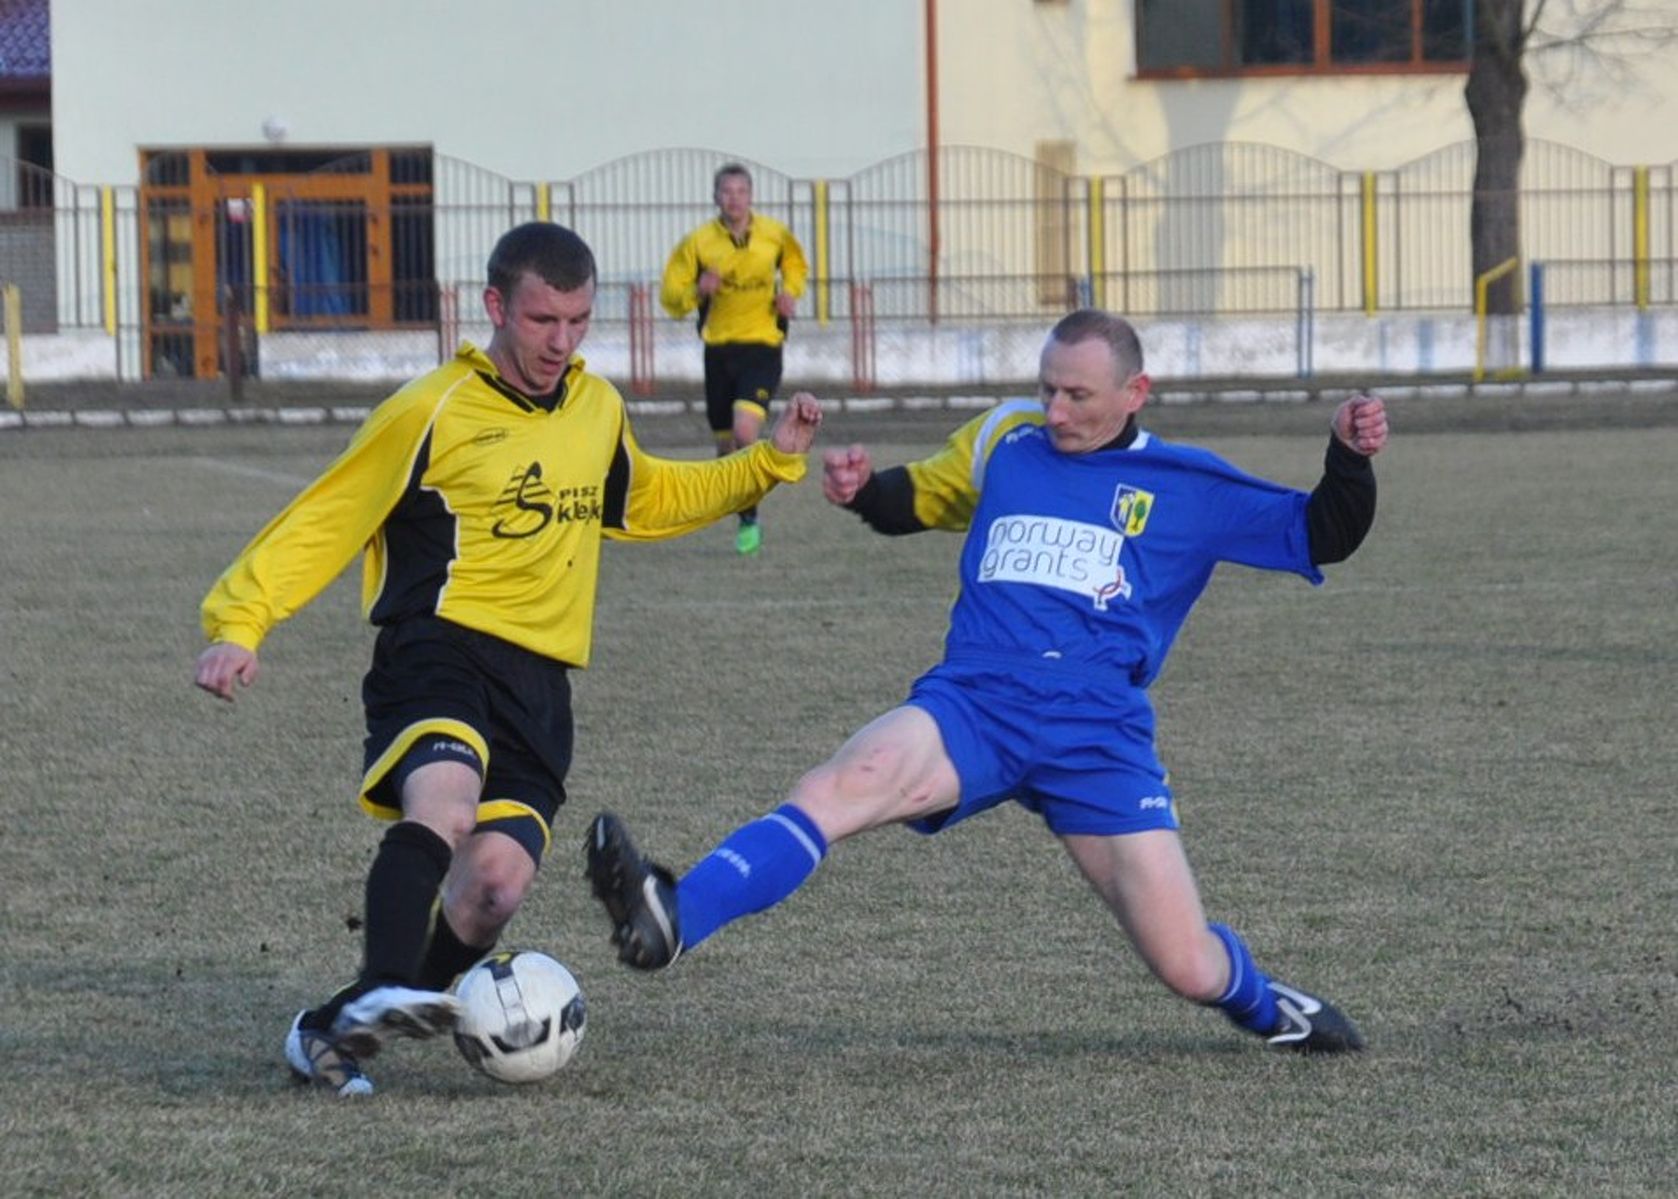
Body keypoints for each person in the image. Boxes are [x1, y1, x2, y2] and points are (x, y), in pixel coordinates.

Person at [585, 308, 1388, 1054]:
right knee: (841, 783)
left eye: (1078, 394)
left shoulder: (1188, 484)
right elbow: (924, 496)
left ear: (1135, 392)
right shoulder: (1009, 437)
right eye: (1048, 389)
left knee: (1186, 965)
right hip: (975, 703)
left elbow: (1322, 531)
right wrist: (867, 489)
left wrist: (1348, 457)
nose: (1057, 410)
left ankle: (1263, 1003)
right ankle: (675, 914)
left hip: (1095, 735)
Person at [194, 221, 822, 1096]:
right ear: (495, 306)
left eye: (577, 322)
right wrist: (242, 619)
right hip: (436, 647)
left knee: (491, 888)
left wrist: (767, 464)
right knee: (444, 809)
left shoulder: (596, 407)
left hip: (539, 682)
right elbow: (327, 517)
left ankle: (333, 1027)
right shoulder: (430, 410)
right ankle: (383, 985)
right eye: (541, 321)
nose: (561, 343)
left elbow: (648, 497)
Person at [660, 162, 809, 556]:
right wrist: (697, 289)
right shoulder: (698, 243)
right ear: (716, 198)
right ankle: (737, 505)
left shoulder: (774, 236)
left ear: (751, 196)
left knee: (746, 433)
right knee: (726, 447)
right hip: (719, 350)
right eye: (727, 192)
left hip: (762, 346)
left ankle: (749, 517)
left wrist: (790, 292)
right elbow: (670, 298)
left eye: (741, 191)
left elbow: (796, 264)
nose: (734, 199)